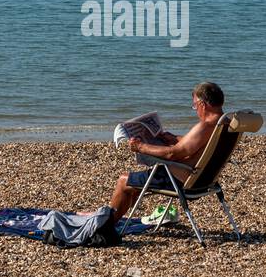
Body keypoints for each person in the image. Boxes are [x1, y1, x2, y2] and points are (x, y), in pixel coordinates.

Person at [92, 82, 225, 222]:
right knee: (136, 184)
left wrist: (140, 147)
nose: (196, 110)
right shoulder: (225, 124)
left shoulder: (206, 125)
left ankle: (107, 226)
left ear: (202, 104)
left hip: (184, 181)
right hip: (207, 180)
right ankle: (117, 218)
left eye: (195, 106)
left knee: (124, 181)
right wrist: (173, 138)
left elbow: (172, 154)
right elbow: (198, 144)